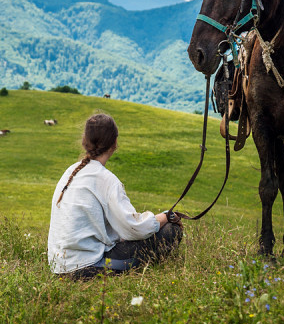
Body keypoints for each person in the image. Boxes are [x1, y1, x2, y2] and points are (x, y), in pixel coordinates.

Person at [48, 113, 183, 278]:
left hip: (59, 268)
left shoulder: (70, 172)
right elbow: (135, 228)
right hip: (88, 268)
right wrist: (166, 216)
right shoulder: (107, 180)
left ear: (85, 141)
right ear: (114, 143)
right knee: (171, 231)